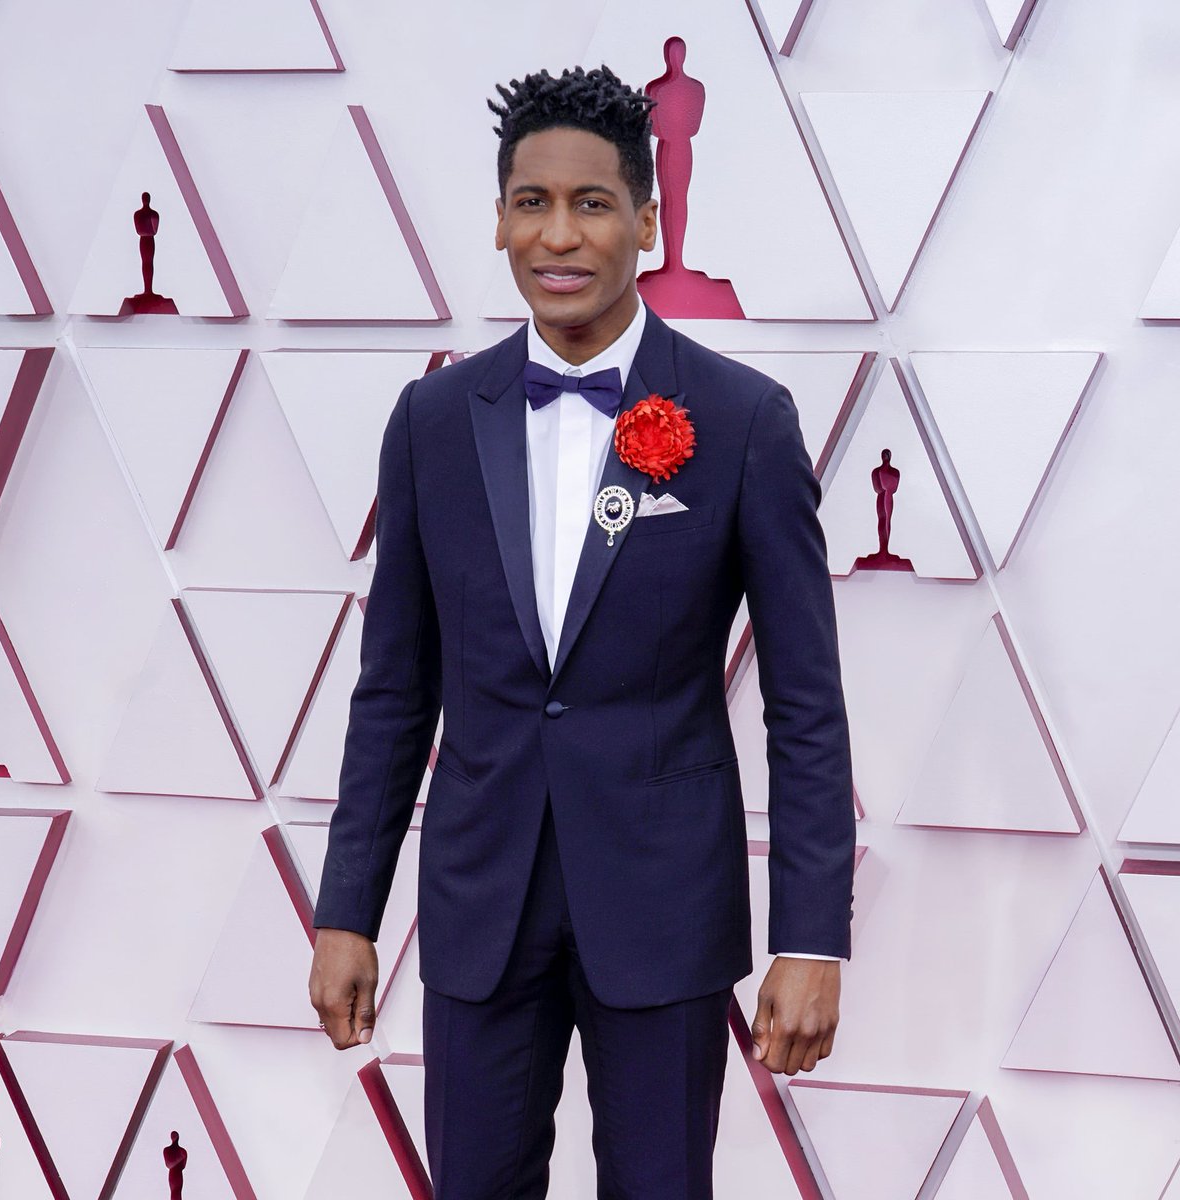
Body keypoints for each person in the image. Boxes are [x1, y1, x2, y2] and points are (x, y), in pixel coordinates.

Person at [309, 63, 855, 1199]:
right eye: (532, 203)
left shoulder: (742, 420)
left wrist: (813, 938)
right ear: (500, 219)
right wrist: (346, 910)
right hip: (479, 904)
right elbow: (393, 689)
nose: (558, 235)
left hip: (664, 908)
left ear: (648, 222)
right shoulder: (431, 421)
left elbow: (806, 705)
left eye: (592, 204)